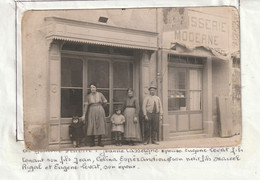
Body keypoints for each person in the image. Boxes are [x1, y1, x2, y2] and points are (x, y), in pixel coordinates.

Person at [82, 83, 107, 147]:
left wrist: (100, 108)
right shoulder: (88, 96)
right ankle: (92, 142)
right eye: (91, 87)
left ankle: (99, 142)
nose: (92, 89)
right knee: (92, 125)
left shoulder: (100, 94)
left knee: (100, 125)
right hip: (91, 111)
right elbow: (86, 106)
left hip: (100, 110)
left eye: (94, 87)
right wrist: (84, 114)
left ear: (96, 88)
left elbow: (105, 102)